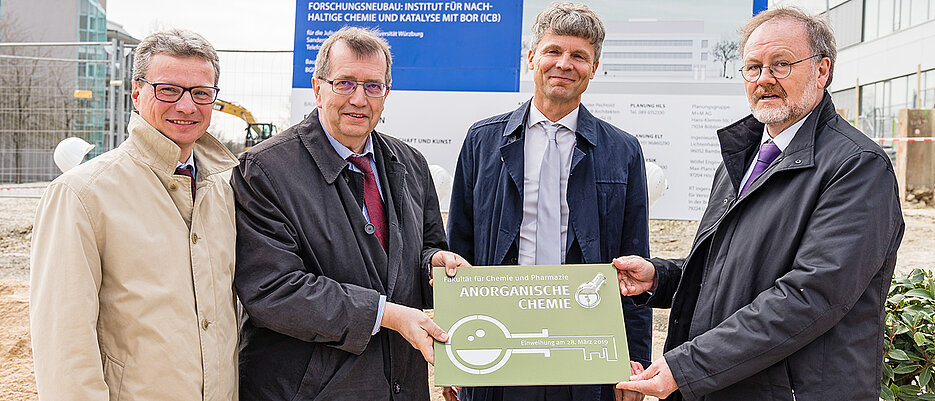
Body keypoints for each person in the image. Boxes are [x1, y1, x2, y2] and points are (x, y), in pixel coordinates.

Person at [614, 8, 905, 401]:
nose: (764, 79)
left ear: (822, 71)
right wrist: (659, 278)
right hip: (730, 385)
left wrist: (687, 366)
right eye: (753, 67)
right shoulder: (745, 155)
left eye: (781, 64)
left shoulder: (857, 167)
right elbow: (732, 272)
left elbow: (811, 296)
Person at [232, 26, 468, 400]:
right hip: (307, 391)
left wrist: (433, 266)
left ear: (386, 94)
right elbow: (272, 290)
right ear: (318, 88)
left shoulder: (410, 164)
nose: (359, 98)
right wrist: (386, 314)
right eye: (344, 83)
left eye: (373, 86)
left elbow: (420, 253)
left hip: (399, 386)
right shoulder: (264, 170)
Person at [446, 2, 653, 400]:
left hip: (584, 348)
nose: (564, 64)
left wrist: (635, 359)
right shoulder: (482, 142)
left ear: (594, 68)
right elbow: (460, 250)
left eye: (579, 56)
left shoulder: (623, 151)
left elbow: (634, 263)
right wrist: (456, 350)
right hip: (498, 345)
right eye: (553, 51)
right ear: (531, 58)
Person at [30, 29, 238, 400]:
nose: (187, 106)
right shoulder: (81, 195)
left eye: (201, 93)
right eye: (168, 89)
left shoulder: (226, 190)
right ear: (136, 92)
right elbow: (64, 343)